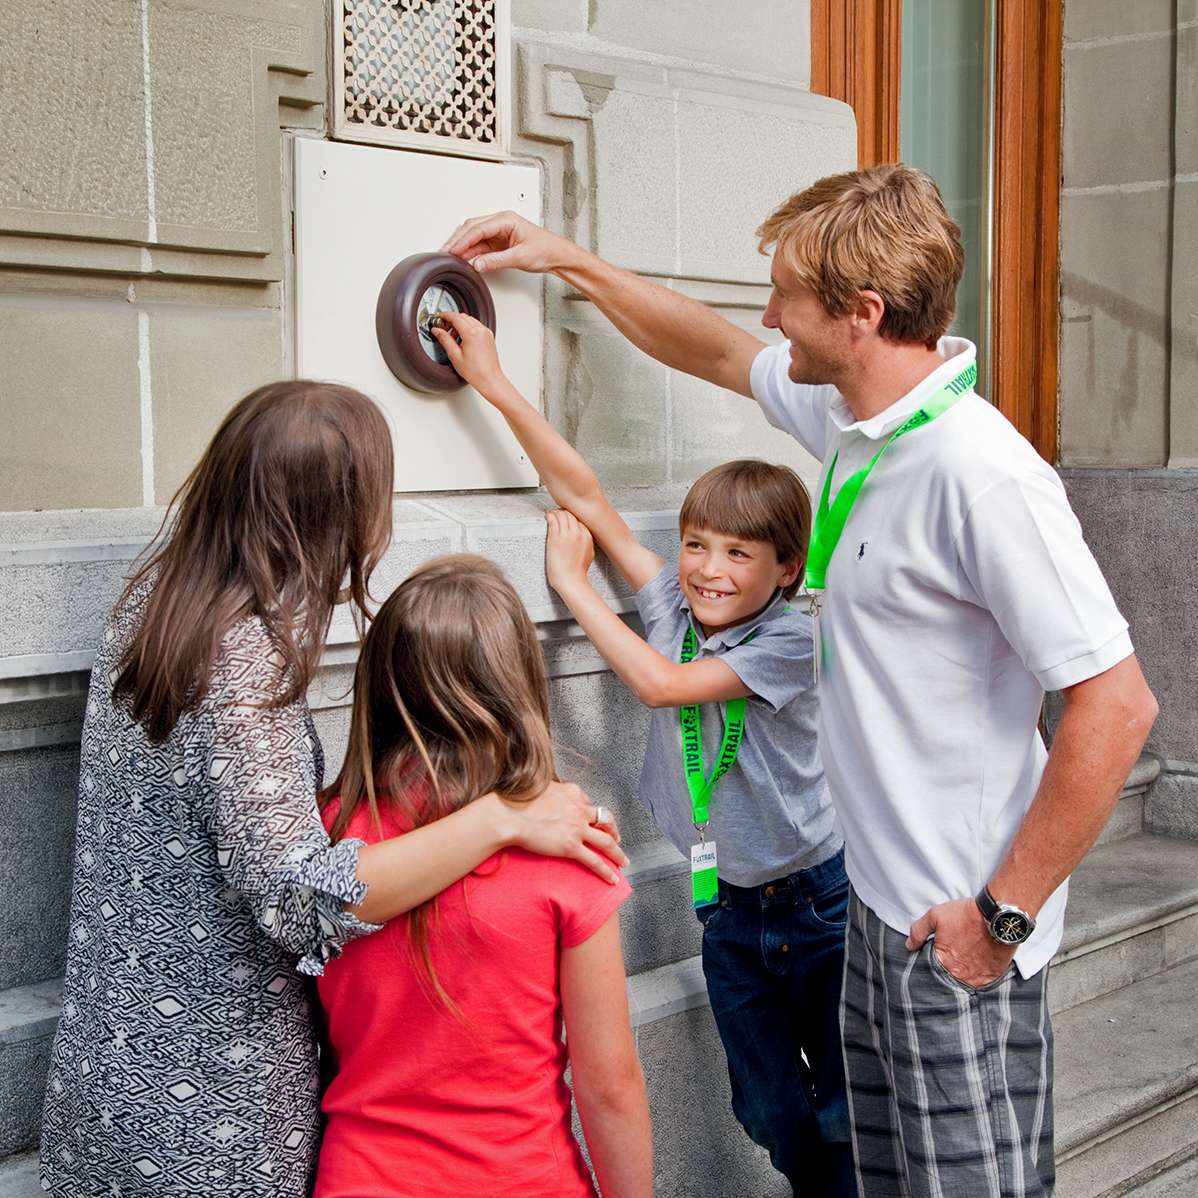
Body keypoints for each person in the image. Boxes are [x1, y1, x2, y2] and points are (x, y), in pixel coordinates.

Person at [442, 163, 1159, 1197]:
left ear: (861, 314)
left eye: (786, 297)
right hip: (870, 907)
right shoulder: (860, 427)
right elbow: (712, 348)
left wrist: (1000, 917)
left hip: (952, 927)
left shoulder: (983, 475)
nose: (769, 318)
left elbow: (1116, 704)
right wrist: (562, 258)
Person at [38, 381, 627, 1197]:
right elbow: (303, 901)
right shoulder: (242, 663)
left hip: (103, 1069)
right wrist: (502, 817)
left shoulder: (154, 603)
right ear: (333, 515)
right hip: (215, 1109)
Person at [432, 314, 855, 1195]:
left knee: (845, 1110)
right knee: (768, 1112)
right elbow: (586, 496)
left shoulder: (789, 641)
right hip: (727, 907)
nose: (707, 569)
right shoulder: (677, 608)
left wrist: (573, 586)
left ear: (786, 570)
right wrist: (495, 383)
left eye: (738, 554)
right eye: (696, 545)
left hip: (817, 904)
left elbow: (663, 686)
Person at [313, 554, 652, 1198]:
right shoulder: (571, 849)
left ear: (380, 682)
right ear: (517, 684)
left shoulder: (326, 838)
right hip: (525, 1179)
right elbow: (608, 1085)